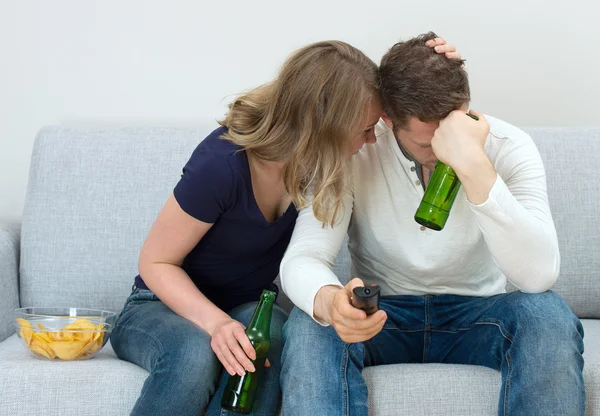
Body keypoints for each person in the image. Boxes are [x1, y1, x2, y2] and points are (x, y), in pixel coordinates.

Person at [110, 37, 464, 416]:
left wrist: (438, 65)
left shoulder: (318, 170)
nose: (371, 139)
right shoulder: (222, 163)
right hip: (160, 307)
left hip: (247, 308)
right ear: (324, 124)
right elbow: (156, 263)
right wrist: (216, 325)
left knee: (272, 341)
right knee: (194, 353)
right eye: (364, 128)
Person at [279, 32, 585, 416]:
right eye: (429, 145)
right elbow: (303, 257)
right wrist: (329, 302)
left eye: (450, 138)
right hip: (383, 315)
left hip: (478, 315)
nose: (442, 155)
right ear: (388, 121)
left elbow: (538, 277)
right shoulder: (357, 147)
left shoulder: (508, 146)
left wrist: (474, 166)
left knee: (548, 315)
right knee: (311, 324)